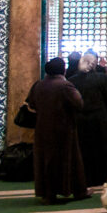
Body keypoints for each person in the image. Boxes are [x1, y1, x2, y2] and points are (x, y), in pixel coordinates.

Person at [26, 57, 89, 204]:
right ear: (62, 69)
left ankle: (48, 194)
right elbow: (79, 104)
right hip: (63, 130)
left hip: (42, 129)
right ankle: (78, 191)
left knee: (46, 161)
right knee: (68, 161)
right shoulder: (65, 86)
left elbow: (32, 104)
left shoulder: (39, 85)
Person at [68, 50, 107, 186]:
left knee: (84, 149)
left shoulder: (72, 81)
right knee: (99, 149)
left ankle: (85, 177)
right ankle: (100, 176)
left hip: (80, 119)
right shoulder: (102, 78)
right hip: (99, 119)